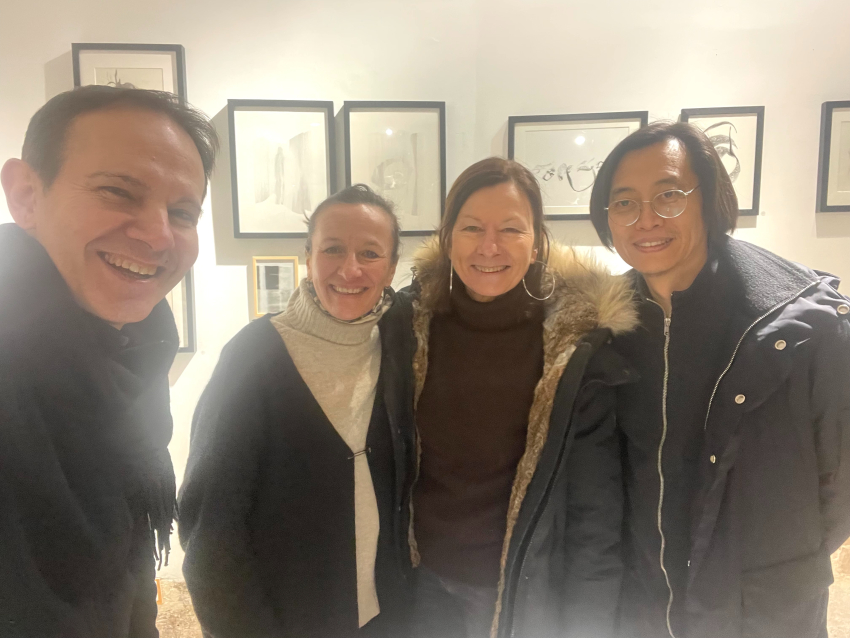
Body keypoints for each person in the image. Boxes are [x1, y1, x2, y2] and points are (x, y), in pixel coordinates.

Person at [588, 121, 850, 638]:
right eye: (624, 202)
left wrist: (774, 566)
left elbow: (839, 490)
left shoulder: (805, 325)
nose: (646, 219)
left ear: (709, 199)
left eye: (669, 195)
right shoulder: (602, 328)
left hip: (763, 611)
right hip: (641, 605)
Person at [0, 86, 218, 637]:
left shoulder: (137, 347)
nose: (158, 235)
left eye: (182, 212)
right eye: (118, 191)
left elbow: (126, 563)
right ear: (26, 194)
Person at [405, 157, 638, 638]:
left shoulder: (575, 347)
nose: (489, 246)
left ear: (536, 242)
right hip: (417, 581)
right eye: (472, 227)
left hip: (522, 590)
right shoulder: (409, 325)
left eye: (511, 229)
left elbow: (595, 510)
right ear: (448, 239)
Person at [178, 184, 416, 638]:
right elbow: (210, 528)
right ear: (308, 257)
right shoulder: (253, 357)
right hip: (286, 621)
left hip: (389, 616)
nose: (350, 269)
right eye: (333, 249)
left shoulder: (400, 346)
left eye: (370, 253)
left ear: (390, 268)